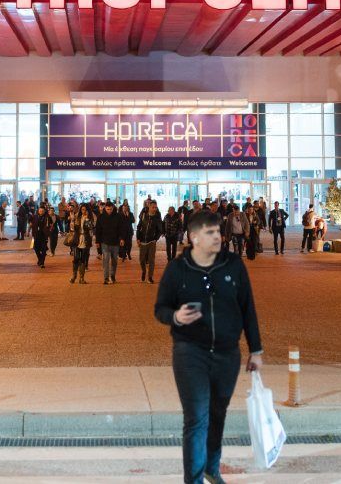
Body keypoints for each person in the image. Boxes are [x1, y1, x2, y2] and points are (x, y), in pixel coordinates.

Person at [155, 210, 263, 484]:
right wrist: (175, 317)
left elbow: (247, 307)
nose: (218, 236)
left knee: (217, 415)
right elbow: (160, 308)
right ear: (194, 238)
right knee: (196, 419)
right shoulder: (178, 269)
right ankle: (193, 480)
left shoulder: (233, 265)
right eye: (210, 232)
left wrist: (256, 349)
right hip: (190, 352)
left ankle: (211, 468)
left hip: (227, 353)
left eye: (218, 231)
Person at [95, 201, 123, 283]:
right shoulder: (101, 217)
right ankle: (106, 277)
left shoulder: (118, 216)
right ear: (105, 208)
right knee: (106, 261)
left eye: (110, 209)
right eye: (107, 209)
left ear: (113, 208)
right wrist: (97, 241)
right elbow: (98, 230)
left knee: (114, 261)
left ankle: (113, 276)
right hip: (105, 242)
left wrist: (121, 238)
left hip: (115, 242)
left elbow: (121, 228)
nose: (109, 211)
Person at [136, 200, 163, 283]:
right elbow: (138, 227)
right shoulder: (144, 216)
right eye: (153, 207)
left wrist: (155, 239)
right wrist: (138, 238)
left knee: (151, 260)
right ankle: (144, 271)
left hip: (151, 242)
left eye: (156, 207)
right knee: (141, 260)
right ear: (149, 207)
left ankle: (150, 277)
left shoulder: (157, 218)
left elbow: (160, 230)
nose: (154, 209)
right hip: (142, 241)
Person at [69, 207, 95, 284]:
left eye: (85, 209)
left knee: (83, 259)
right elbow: (72, 228)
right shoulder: (77, 218)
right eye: (82, 209)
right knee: (76, 258)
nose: (84, 211)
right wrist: (72, 221)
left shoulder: (90, 219)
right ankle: (74, 276)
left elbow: (90, 229)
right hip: (77, 240)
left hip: (86, 240)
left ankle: (81, 278)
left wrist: (87, 219)